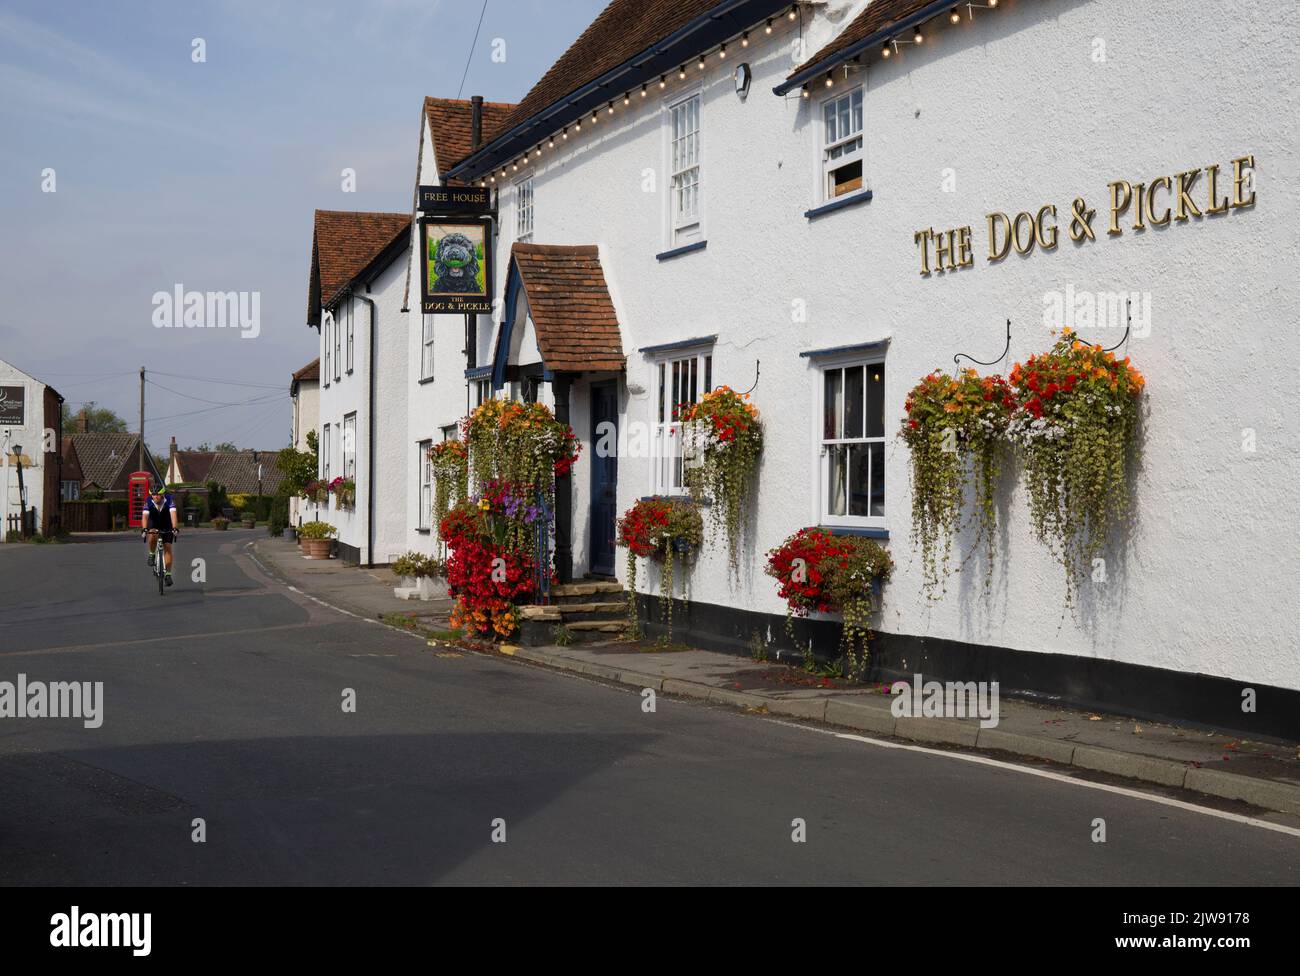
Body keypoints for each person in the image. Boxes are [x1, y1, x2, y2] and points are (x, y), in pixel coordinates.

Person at [143, 484, 179, 586]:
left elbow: (173, 515)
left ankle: (168, 574)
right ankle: (151, 554)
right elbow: (145, 516)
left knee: (167, 547)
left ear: (162, 494)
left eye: (158, 494)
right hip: (153, 521)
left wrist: (175, 528)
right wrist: (145, 529)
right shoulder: (148, 501)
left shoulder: (169, 499)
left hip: (166, 523)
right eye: (153, 495)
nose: (155, 497)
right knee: (152, 533)